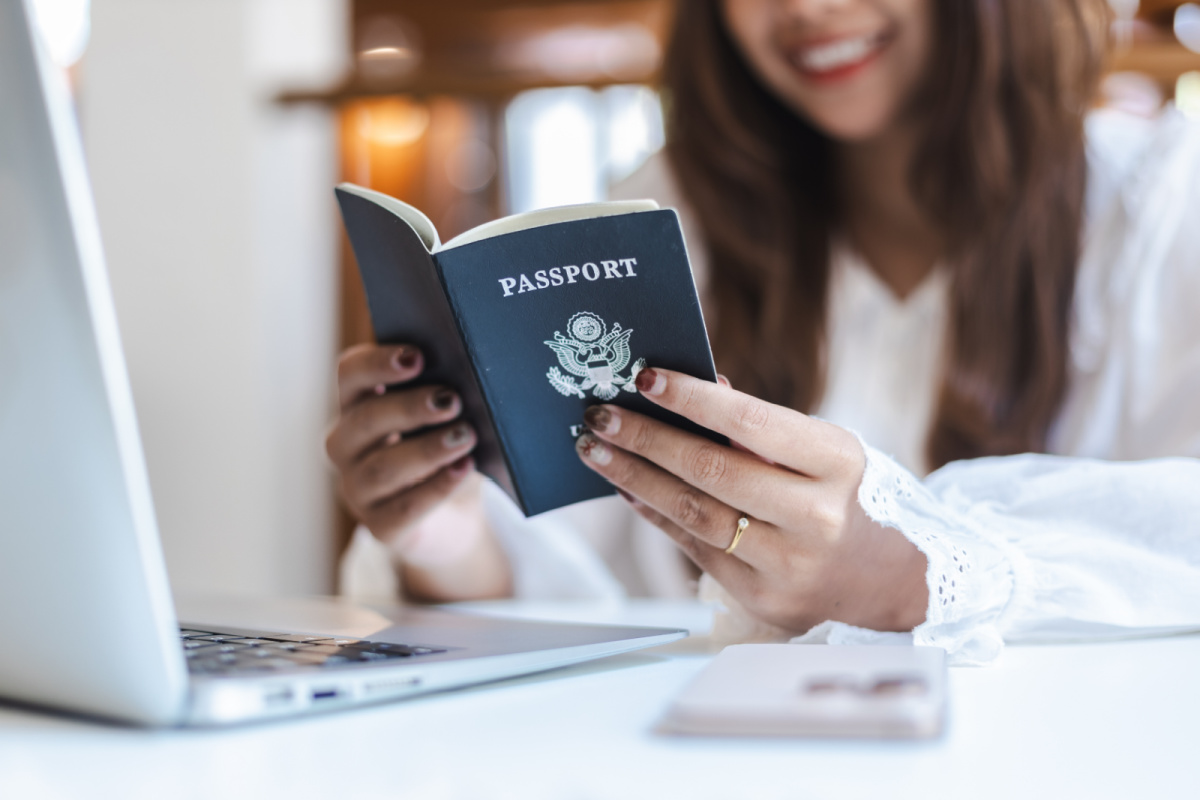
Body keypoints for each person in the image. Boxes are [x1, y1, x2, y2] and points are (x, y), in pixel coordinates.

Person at [325, 0, 1200, 664]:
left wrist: (907, 569)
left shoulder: (1162, 204)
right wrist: (451, 537)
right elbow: (590, 592)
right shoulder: (666, 218)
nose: (806, 9)